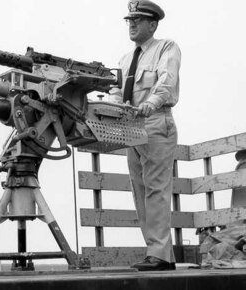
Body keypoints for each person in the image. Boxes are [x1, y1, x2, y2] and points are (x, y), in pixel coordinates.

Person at [107, 0, 181, 271]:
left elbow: (167, 81)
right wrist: (106, 105)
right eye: (129, 20)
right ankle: (159, 254)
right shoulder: (125, 60)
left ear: (153, 24)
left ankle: (160, 255)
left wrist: (151, 102)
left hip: (155, 123)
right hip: (131, 128)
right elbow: (116, 92)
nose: (132, 24)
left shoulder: (166, 47)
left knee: (157, 190)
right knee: (139, 191)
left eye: (138, 20)